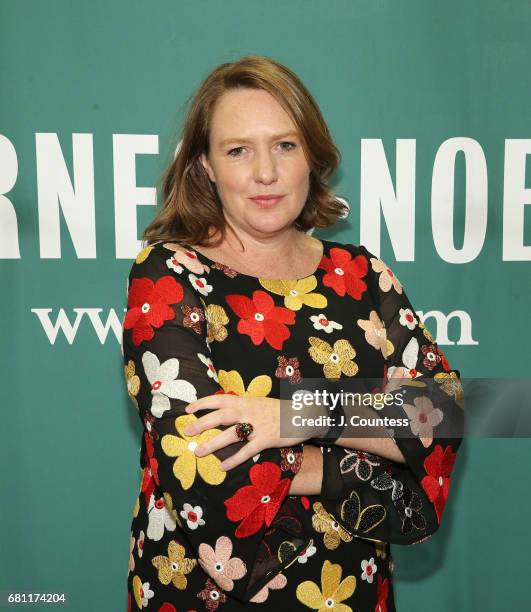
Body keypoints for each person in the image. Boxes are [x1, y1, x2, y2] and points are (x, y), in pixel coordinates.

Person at [121, 55, 464, 611]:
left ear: (313, 155)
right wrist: (355, 453)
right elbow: (202, 460)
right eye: (238, 150)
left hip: (353, 588)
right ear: (205, 165)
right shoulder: (168, 275)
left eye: (285, 145)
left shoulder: (363, 275)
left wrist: (287, 417)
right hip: (203, 595)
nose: (265, 173)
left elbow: (443, 413)